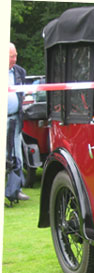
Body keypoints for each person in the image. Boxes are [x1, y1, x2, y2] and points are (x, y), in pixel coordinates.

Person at [7, 43, 29, 201]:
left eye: (15, 55)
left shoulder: (20, 72)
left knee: (16, 155)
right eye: (11, 56)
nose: (14, 59)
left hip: (15, 120)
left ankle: (16, 189)